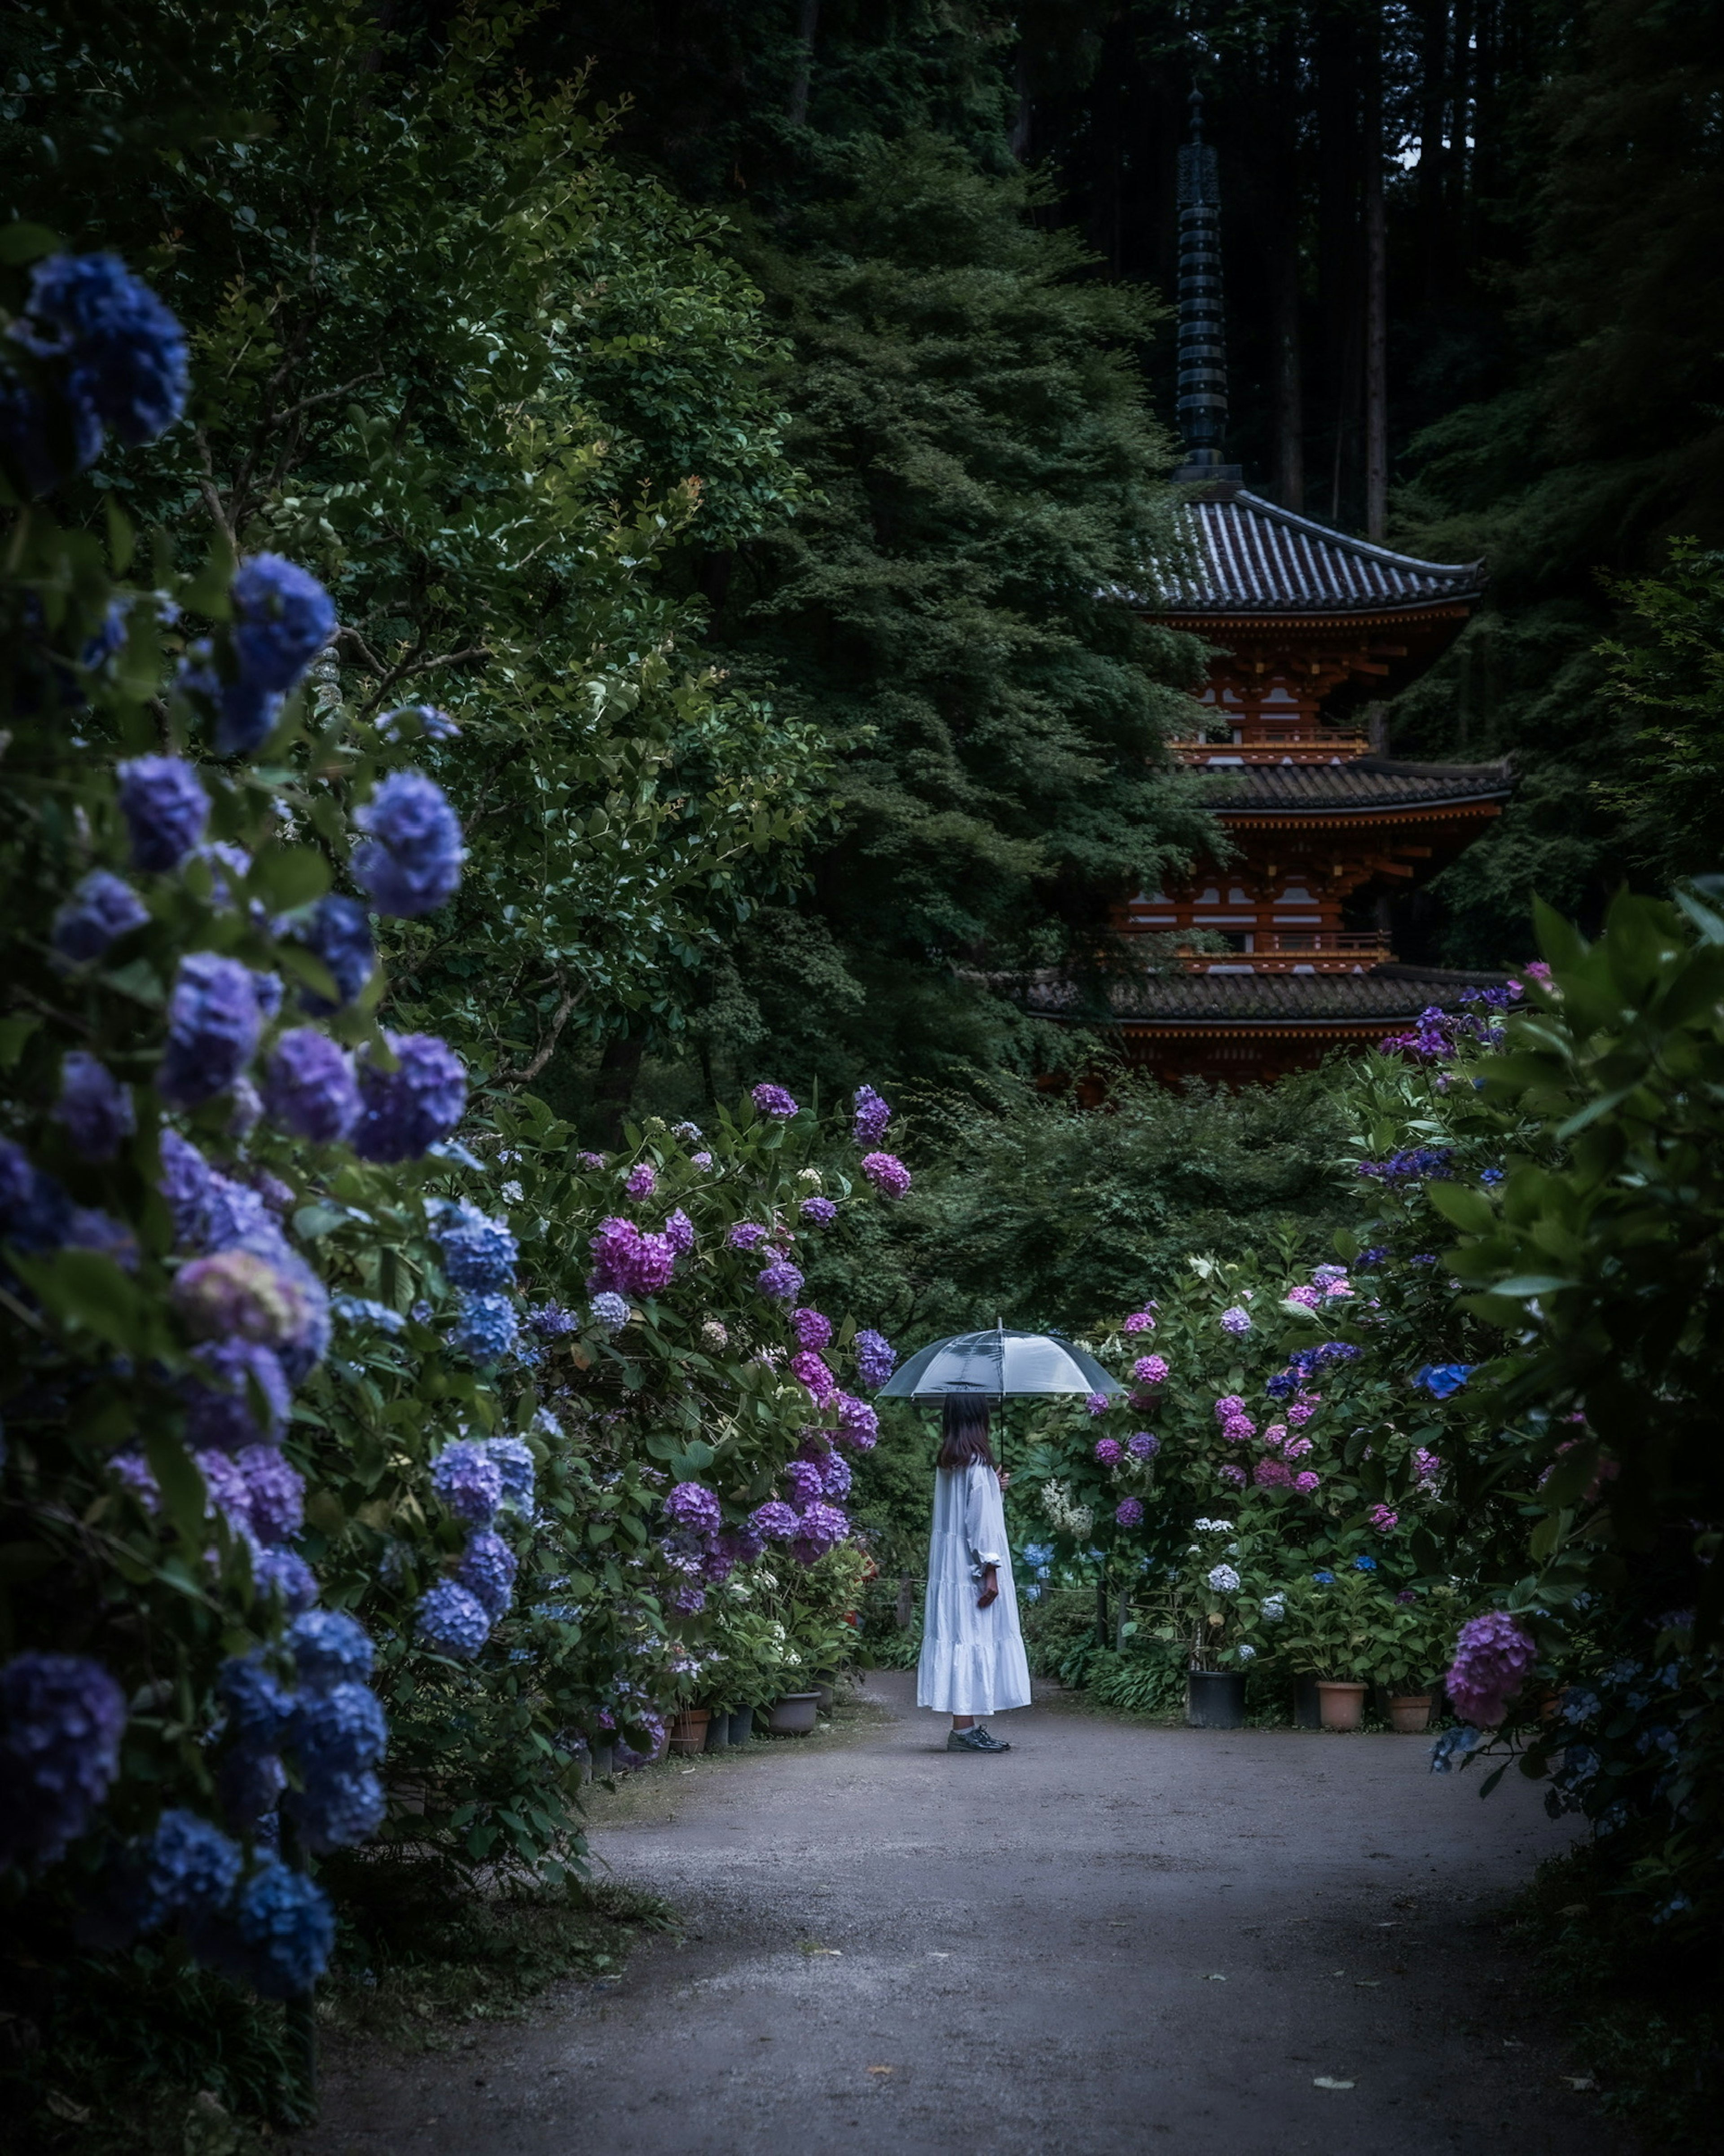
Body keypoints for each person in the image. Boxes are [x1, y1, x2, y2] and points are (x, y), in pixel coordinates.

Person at [916, 1393, 1032, 1752]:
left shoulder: (950, 1463)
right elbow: (980, 1525)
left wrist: (993, 1490)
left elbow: (966, 1511)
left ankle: (964, 1727)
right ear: (980, 1418)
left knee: (958, 1636)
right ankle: (964, 1732)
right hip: (972, 1569)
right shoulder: (978, 1465)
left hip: (951, 1567)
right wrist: (991, 1572)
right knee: (972, 1636)